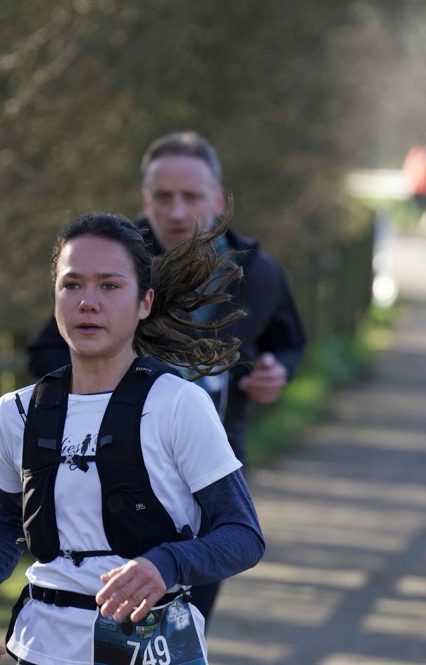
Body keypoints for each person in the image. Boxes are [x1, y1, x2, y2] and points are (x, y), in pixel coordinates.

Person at [0, 211, 265, 665]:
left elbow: (242, 534)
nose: (87, 302)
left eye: (109, 285)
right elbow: (4, 517)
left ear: (144, 301)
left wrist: (165, 564)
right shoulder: (14, 415)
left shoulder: (180, 406)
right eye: (72, 285)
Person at [26, 131, 304, 623]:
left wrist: (277, 371)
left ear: (217, 200)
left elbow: (290, 341)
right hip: (115, 474)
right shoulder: (111, 265)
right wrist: (106, 374)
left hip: (213, 471)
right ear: (144, 199)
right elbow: (46, 350)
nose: (176, 212)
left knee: (187, 624)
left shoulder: (260, 275)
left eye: (191, 197)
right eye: (163, 197)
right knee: (110, 623)